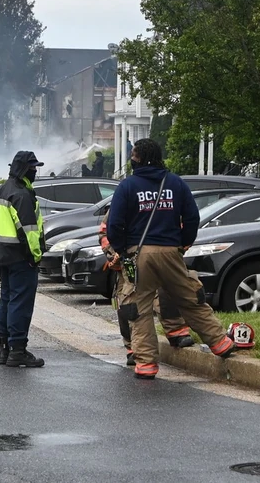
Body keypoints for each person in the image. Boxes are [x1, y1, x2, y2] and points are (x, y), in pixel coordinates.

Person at [106, 138, 235, 379]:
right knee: (189, 298)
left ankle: (145, 365)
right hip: (171, 251)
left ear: (141, 159)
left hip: (138, 254)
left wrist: (122, 251)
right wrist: (183, 244)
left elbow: (115, 224)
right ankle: (220, 343)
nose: (131, 160)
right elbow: (192, 218)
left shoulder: (128, 186)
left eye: (133, 156)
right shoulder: (175, 183)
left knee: (139, 309)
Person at [99, 211, 194, 366]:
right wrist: (113, 254)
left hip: (159, 256)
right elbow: (105, 231)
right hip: (129, 260)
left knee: (167, 292)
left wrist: (177, 248)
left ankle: (177, 333)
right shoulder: (124, 197)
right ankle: (133, 347)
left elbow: (183, 224)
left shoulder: (165, 197)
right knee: (127, 302)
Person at [0, 151, 47, 368]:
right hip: (21, 257)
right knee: (21, 303)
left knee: (6, 300)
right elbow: (29, 231)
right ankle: (18, 350)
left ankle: (5, 349)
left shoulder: (1, 191)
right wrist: (36, 256)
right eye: (33, 168)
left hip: (2, 255)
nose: (35, 171)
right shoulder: (21, 195)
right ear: (25, 169)